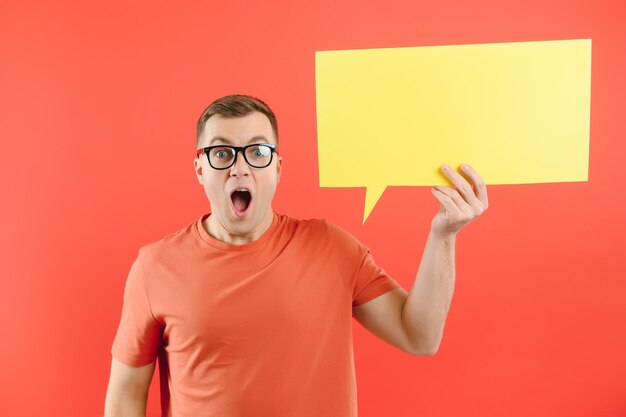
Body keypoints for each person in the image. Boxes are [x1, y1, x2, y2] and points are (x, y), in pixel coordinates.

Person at [104, 94, 489, 417]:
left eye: (257, 151)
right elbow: (125, 396)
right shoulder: (155, 266)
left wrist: (444, 234)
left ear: (277, 167)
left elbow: (419, 335)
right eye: (221, 153)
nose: (240, 167)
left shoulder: (332, 247)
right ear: (200, 168)